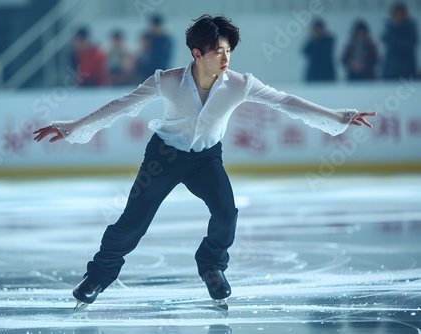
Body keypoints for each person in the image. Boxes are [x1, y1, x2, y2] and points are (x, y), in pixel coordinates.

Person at [33, 15, 376, 307]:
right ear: (197, 53)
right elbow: (122, 105)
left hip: (206, 159)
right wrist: (73, 127)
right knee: (132, 223)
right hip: (164, 156)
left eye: (228, 50)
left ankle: (211, 265)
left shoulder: (240, 84)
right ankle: (97, 278)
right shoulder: (167, 81)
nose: (225, 57)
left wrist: (340, 116)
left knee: (227, 212)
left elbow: (285, 101)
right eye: (217, 51)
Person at [381, 2, 418, 80]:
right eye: (396, 14)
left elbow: (409, 44)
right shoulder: (388, 29)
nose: (398, 17)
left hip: (407, 72)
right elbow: (385, 39)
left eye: (400, 14)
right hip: (390, 72)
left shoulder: (410, 29)